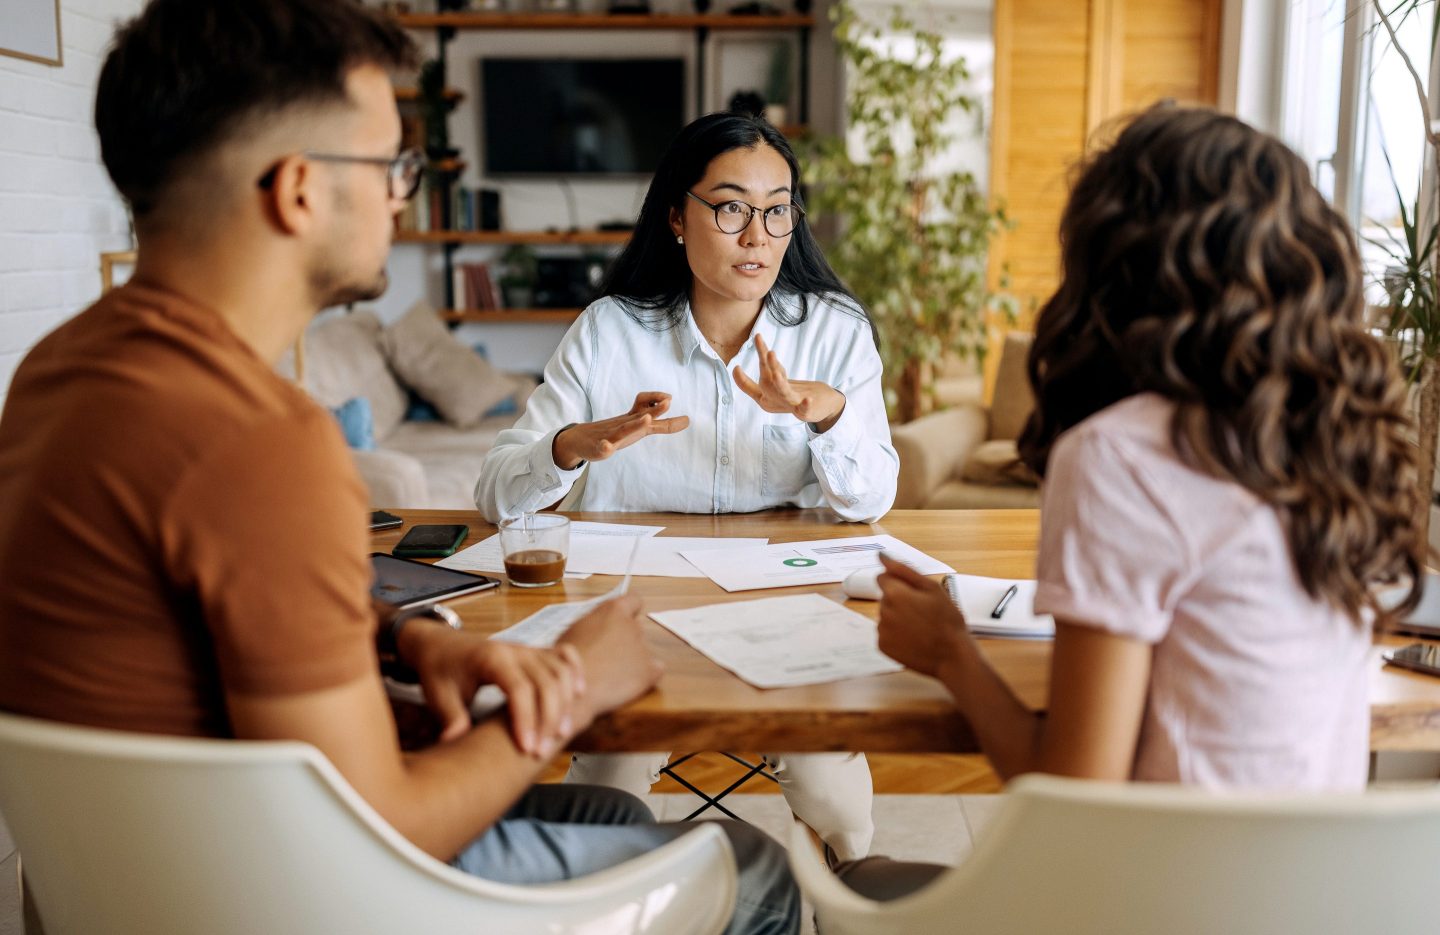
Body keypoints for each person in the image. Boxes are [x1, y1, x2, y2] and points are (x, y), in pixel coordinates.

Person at [0, 3, 798, 932]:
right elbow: (379, 826)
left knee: (613, 812)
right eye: (391, 166)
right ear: (298, 190)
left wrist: (401, 637)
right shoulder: (260, 443)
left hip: (135, 875)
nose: (401, 197)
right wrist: (578, 680)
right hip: (282, 893)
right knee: (754, 867)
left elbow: (199, 620)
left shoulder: (57, 371)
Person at [877, 103, 1424, 796]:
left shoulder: (1121, 455)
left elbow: (1079, 795)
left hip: (1164, 897)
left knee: (803, 877)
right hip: (1316, 897)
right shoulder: (1330, 438)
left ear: (1116, 262)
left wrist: (951, 652)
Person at [474, 112, 899, 862]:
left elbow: (869, 503)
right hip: (636, 616)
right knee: (607, 790)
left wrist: (824, 412)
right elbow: (498, 495)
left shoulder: (835, 329)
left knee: (834, 795)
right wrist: (576, 445)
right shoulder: (609, 331)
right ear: (677, 215)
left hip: (787, 613)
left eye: (776, 210)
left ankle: (846, 906)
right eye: (731, 206)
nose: (758, 234)